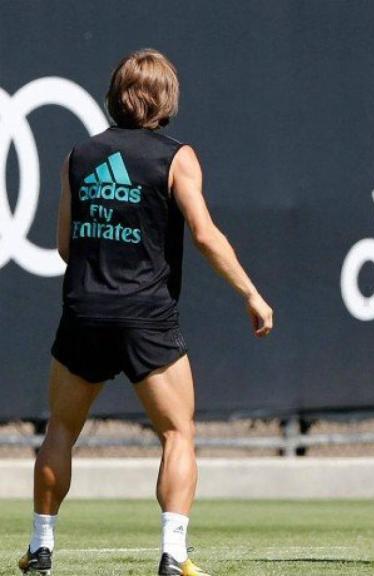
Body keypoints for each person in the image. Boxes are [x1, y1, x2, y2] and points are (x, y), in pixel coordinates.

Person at [18, 49, 273, 576]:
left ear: (114, 96)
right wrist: (250, 292)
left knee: (61, 430)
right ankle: (173, 554)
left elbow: (66, 246)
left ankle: (41, 548)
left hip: (84, 310)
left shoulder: (79, 156)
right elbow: (204, 234)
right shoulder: (176, 157)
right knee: (178, 433)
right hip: (146, 316)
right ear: (166, 99)